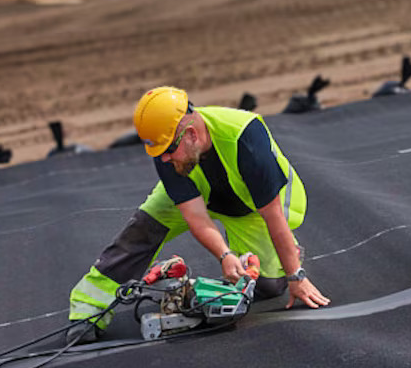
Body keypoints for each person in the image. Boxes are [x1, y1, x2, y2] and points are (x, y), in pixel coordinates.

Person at [69, 87, 329, 337]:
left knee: (269, 286)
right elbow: (195, 216)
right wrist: (224, 255)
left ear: (192, 134)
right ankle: (88, 310)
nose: (163, 160)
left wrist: (297, 276)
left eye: (169, 151)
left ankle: (288, 255)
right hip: (204, 190)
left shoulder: (245, 138)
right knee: (143, 229)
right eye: (158, 153)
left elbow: (273, 215)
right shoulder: (168, 148)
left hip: (252, 208)